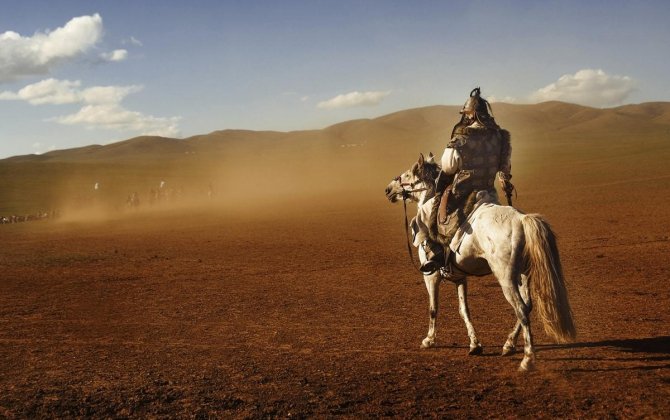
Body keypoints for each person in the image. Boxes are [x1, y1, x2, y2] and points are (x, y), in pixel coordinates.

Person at [417, 87, 514, 278]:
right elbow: (505, 168)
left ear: (470, 115)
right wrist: (504, 180)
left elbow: (447, 167)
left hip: (463, 194)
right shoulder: (501, 137)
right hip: (489, 193)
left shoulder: (461, 137)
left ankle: (434, 253)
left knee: (427, 210)